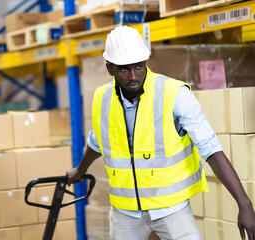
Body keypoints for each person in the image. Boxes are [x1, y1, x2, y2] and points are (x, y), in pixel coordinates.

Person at [66, 25, 255, 240]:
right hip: (124, 212)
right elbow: (97, 140)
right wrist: (79, 170)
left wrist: (244, 204)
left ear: (145, 61)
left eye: (138, 66)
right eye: (124, 69)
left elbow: (210, 147)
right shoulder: (102, 98)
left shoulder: (173, 94)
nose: (133, 76)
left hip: (171, 208)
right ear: (110, 68)